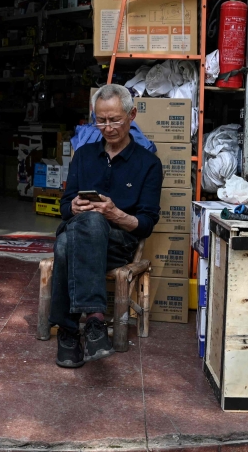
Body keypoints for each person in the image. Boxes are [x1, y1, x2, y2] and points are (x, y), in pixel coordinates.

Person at [51, 84, 162, 368]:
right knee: (83, 224)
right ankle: (95, 324)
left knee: (69, 242)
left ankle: (68, 332)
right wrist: (73, 207)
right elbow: (64, 207)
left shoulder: (149, 163)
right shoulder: (84, 155)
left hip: (117, 244)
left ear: (132, 114)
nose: (107, 127)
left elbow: (146, 223)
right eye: (100, 120)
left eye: (114, 119)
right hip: (80, 236)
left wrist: (114, 213)